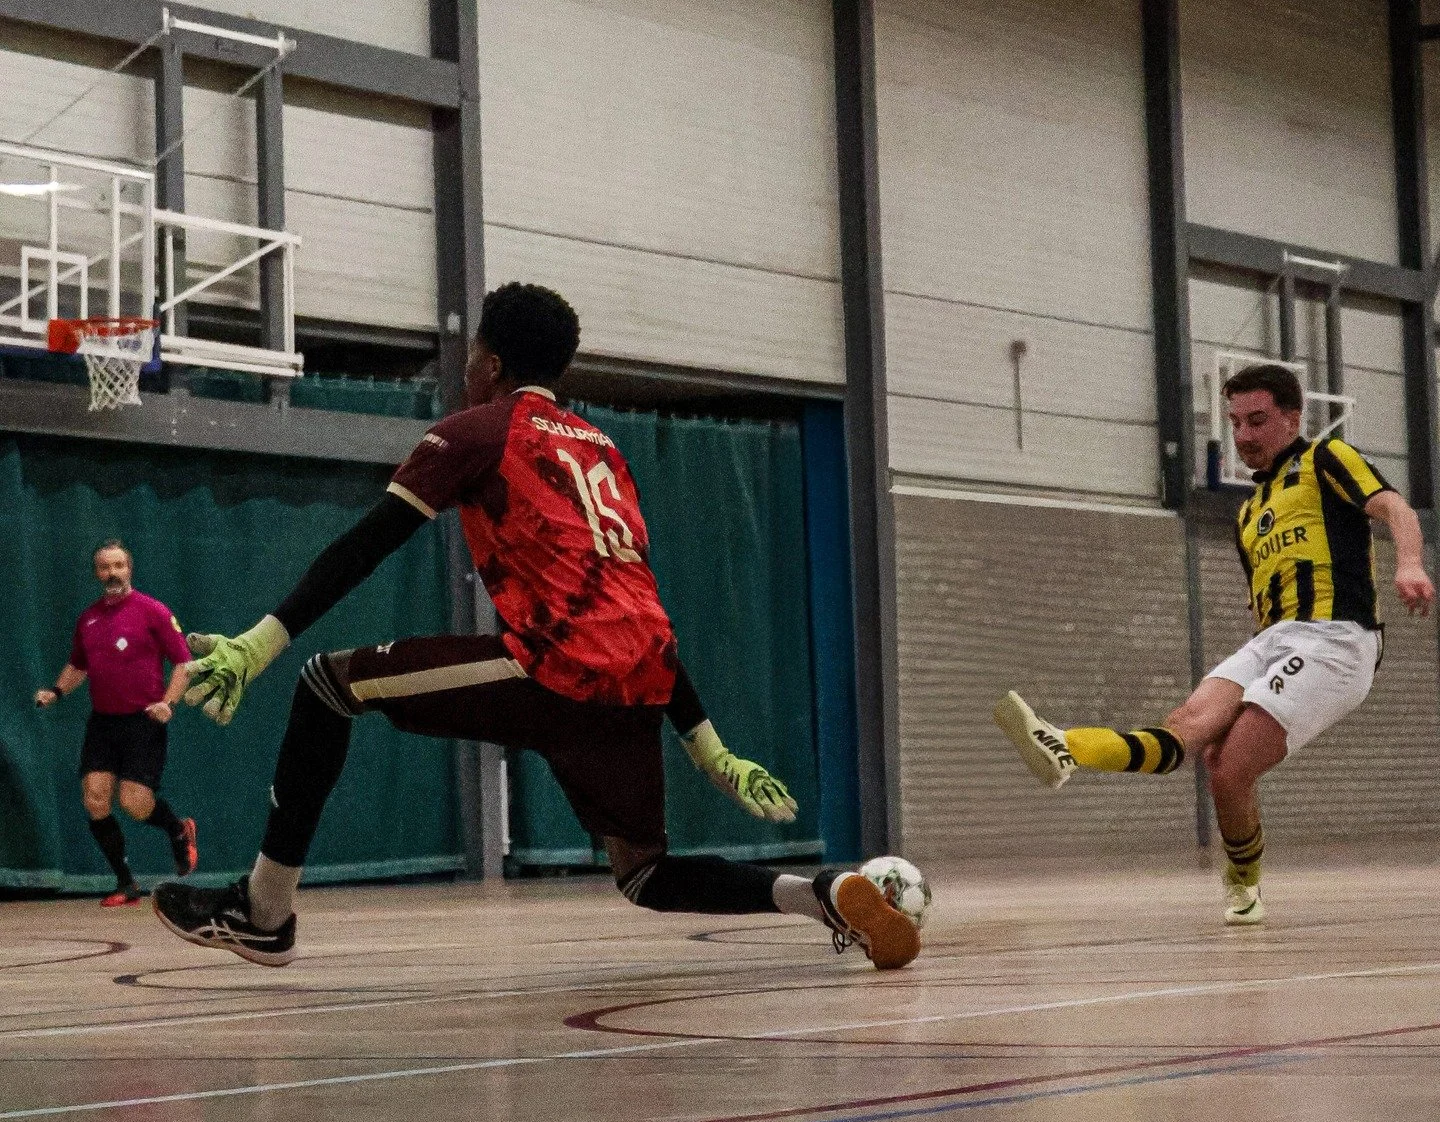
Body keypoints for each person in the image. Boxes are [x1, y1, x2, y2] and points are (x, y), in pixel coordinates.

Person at [153, 282, 921, 971]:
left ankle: (263, 914)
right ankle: (821, 892)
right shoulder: (606, 450)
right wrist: (707, 744)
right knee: (645, 870)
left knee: (326, 683)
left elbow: (367, 543)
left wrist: (262, 640)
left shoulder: (477, 430)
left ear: (487, 361)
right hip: (641, 675)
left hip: (556, 665)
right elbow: (635, 601)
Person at [993, 362, 1434, 924]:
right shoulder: (1248, 513)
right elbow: (1261, 601)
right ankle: (1065, 745)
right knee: (1195, 738)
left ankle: (1243, 878)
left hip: (1336, 639)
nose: (1244, 435)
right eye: (1235, 422)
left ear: (1293, 417)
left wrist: (1411, 562)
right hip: (1271, 638)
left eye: (1258, 420)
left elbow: (1394, 505)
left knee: (1233, 764)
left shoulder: (1324, 459)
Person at [37, 539, 199, 906]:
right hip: (103, 724)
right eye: (104, 567)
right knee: (95, 799)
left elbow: (184, 664)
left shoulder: (153, 611)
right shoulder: (88, 619)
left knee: (135, 803)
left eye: (118, 566)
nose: (112, 573)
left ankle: (178, 830)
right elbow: (78, 666)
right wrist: (56, 691)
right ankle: (126, 883)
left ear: (130, 569)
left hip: (143, 722)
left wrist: (168, 703)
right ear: (97, 573)